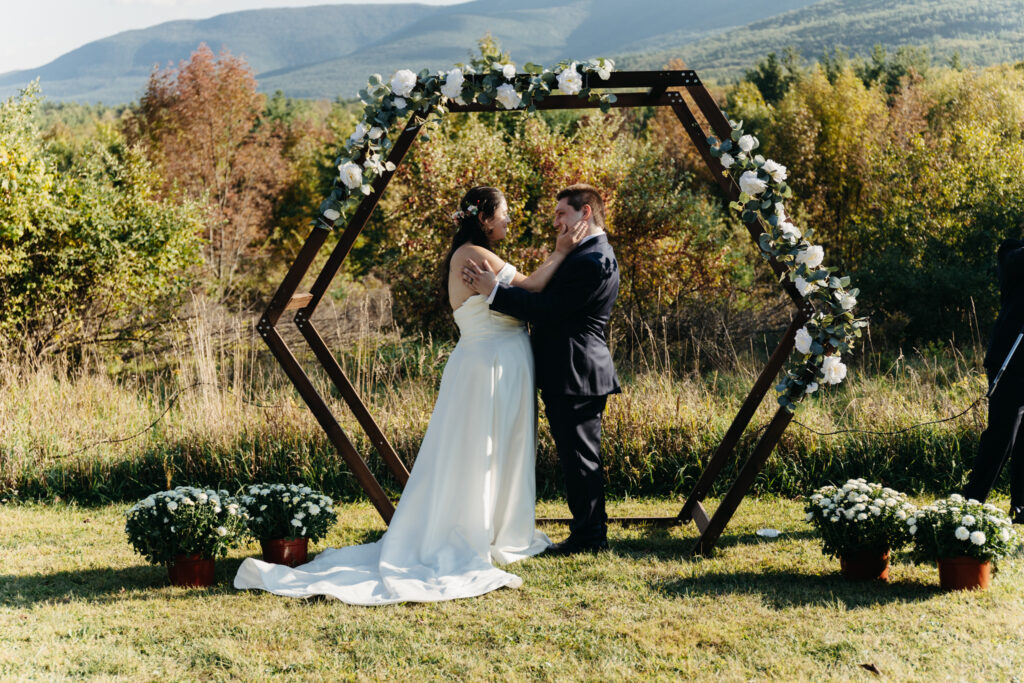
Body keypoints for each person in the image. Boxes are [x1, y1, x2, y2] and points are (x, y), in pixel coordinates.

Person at [233, 186, 587, 604]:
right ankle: (478, 531)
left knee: (492, 446)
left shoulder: (471, 253)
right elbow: (530, 289)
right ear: (485, 218)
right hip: (489, 365)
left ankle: (495, 527)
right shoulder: (474, 254)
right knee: (480, 448)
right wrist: (562, 252)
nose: (510, 220)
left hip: (494, 362)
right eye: (505, 213)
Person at [463, 184, 620, 555]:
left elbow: (548, 309)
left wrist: (494, 292)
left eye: (561, 213)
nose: (555, 222)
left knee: (581, 459)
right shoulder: (582, 253)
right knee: (576, 457)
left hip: (576, 372)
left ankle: (591, 537)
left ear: (585, 213)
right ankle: (588, 531)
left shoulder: (592, 260)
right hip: (568, 371)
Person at [964, 238, 1024, 523]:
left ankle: (1022, 505)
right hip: (1011, 358)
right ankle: (972, 502)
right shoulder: (1011, 252)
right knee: (1003, 434)